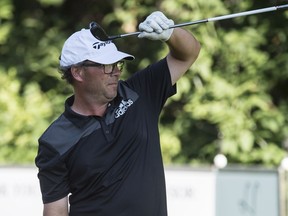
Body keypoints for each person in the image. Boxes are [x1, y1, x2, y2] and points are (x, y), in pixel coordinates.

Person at [35, 11, 201, 216]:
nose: (116, 71)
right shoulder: (54, 141)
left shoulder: (139, 92)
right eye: (106, 65)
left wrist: (171, 34)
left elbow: (188, 54)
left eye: (117, 63)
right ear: (77, 72)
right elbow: (55, 212)